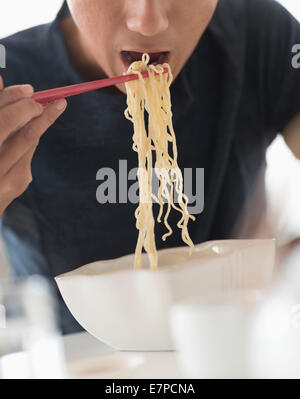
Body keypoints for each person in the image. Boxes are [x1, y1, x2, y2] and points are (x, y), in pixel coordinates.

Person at [0, 0, 299, 333]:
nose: (148, 22)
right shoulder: (9, 76)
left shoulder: (259, 35)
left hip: (229, 348)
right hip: (72, 363)